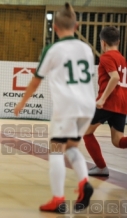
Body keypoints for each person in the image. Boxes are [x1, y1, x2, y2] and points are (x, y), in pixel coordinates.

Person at [14, 2, 95, 213]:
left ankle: (58, 199)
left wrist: (22, 103)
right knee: (72, 147)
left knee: (56, 148)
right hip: (88, 105)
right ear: (76, 27)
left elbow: (35, 81)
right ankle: (83, 183)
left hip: (67, 106)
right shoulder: (86, 48)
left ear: (55, 28)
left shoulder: (53, 49)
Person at [83, 26, 127, 177]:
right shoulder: (122, 59)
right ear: (118, 42)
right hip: (122, 103)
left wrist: (102, 98)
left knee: (86, 132)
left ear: (102, 43)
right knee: (118, 141)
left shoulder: (106, 57)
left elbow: (115, 77)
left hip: (108, 102)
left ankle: (101, 167)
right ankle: (101, 167)